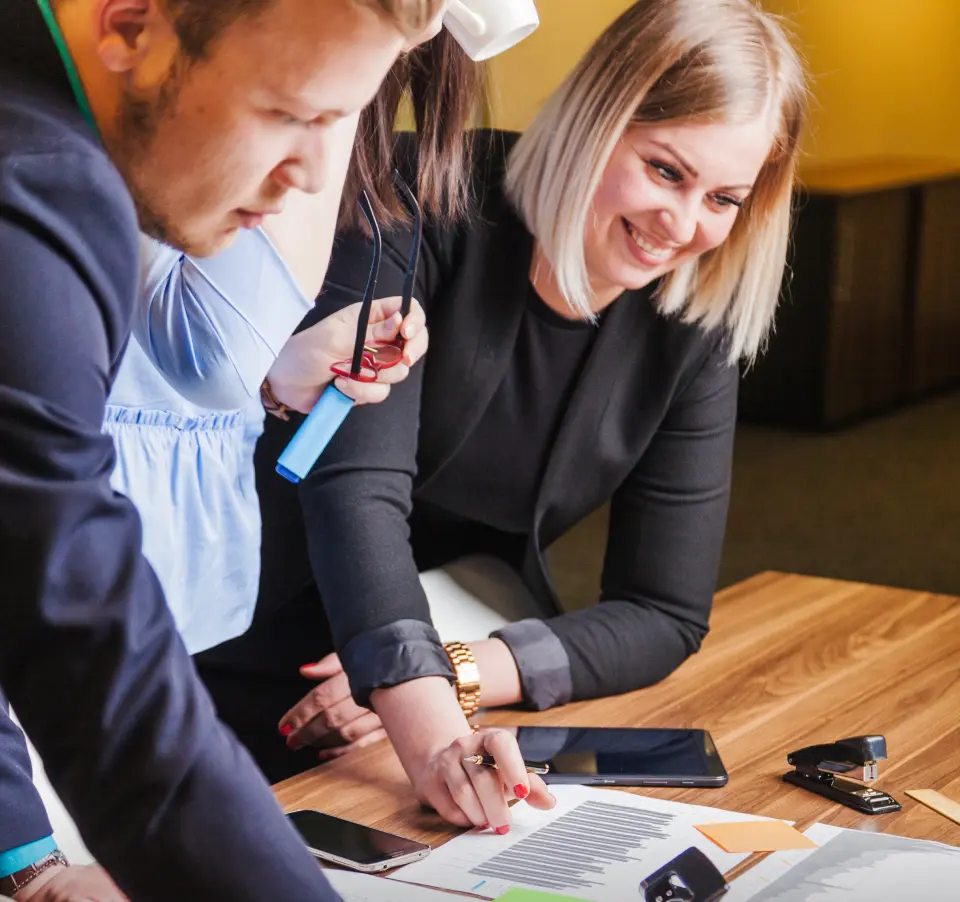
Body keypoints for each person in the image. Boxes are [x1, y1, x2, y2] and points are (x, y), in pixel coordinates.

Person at [194, 0, 808, 837]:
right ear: (598, 119)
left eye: (725, 197)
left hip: (411, 679)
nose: (684, 224)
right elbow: (357, 489)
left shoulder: (690, 324)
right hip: (244, 641)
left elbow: (664, 613)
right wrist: (431, 718)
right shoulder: (422, 191)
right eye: (666, 170)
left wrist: (455, 672)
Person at [0, 0, 454, 899]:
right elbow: (82, 636)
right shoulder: (40, 187)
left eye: (344, 120)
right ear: (130, 27)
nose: (313, 174)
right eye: (291, 113)